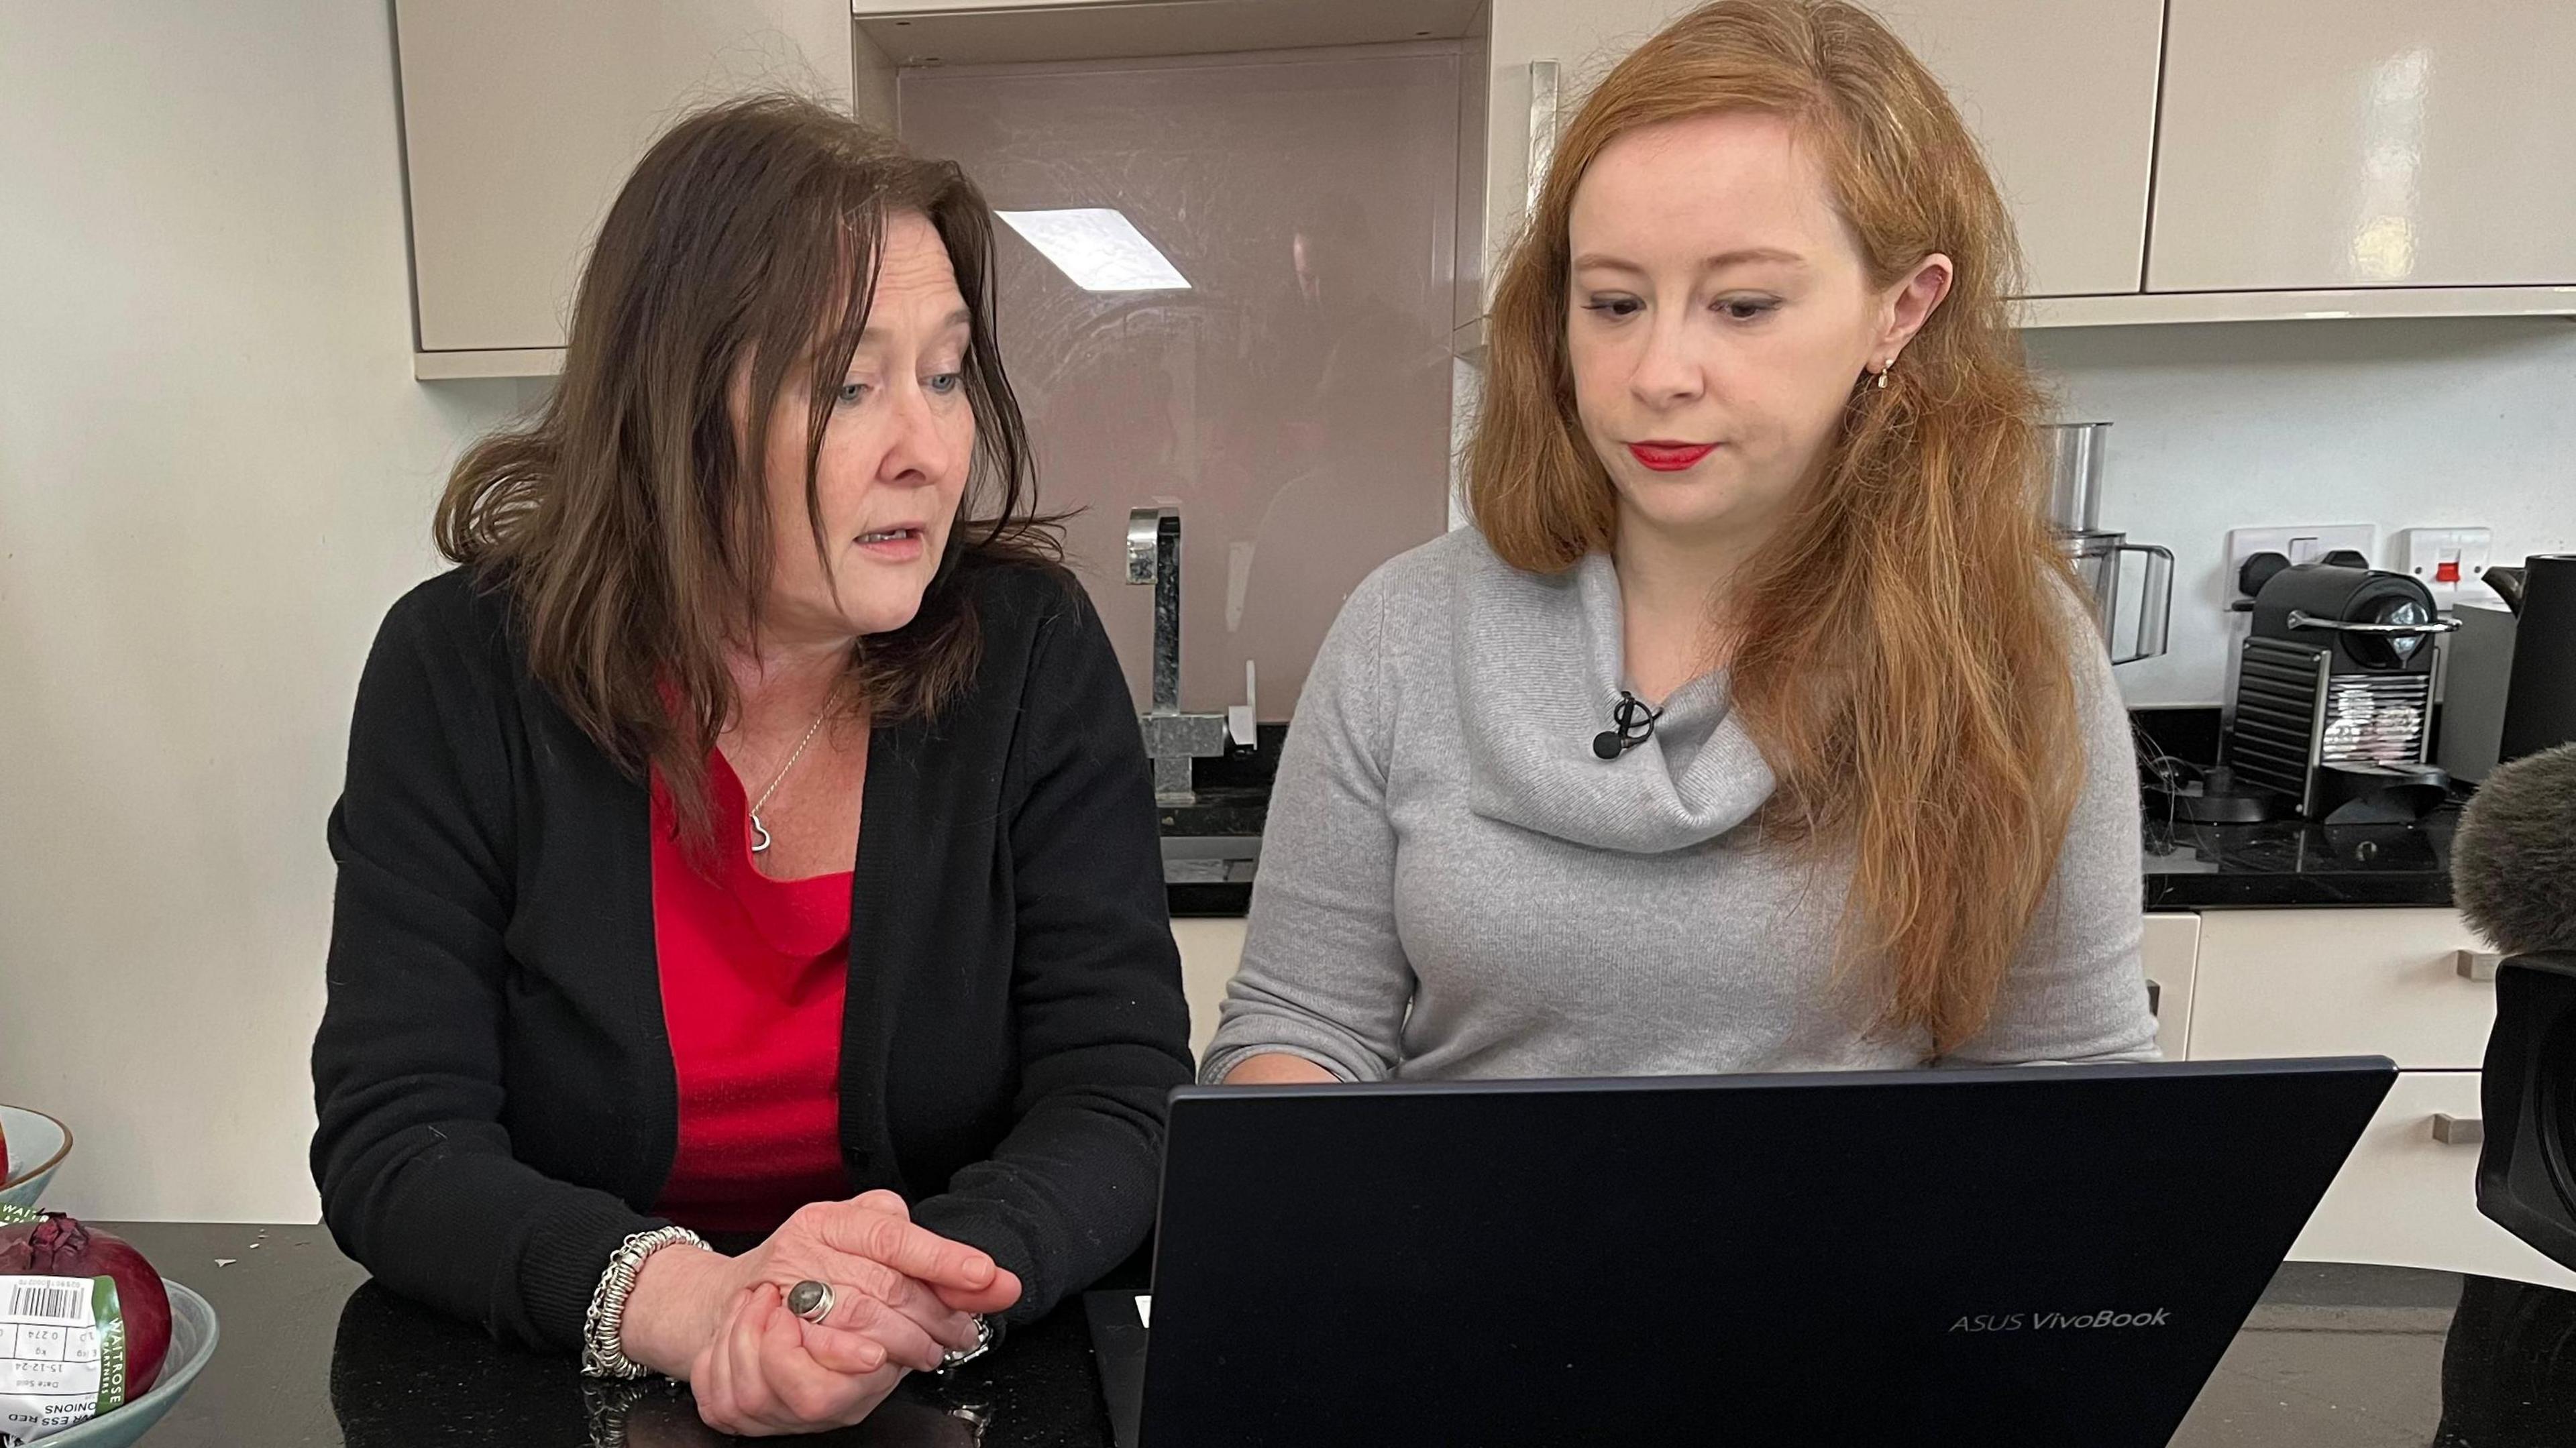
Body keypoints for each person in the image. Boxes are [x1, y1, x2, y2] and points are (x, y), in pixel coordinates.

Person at [311, 96, 1191, 1436]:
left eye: (946, 374)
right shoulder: (463, 670)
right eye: (848, 385)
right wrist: (697, 1303)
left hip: (956, 1386)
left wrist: (899, 1307)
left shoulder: (1029, 654)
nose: (931, 449)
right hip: (567, 1381)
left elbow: (1118, 1098)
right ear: (679, 414)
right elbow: (398, 1141)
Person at [1205, 0, 2157, 1087]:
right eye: (1613, 303)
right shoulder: (1405, 627)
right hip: (1449, 1259)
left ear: (1901, 310)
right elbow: (1299, 1022)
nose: (1658, 374)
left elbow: (2070, 1093)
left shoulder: (2012, 649)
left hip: (1854, 1264)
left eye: (1743, 306)